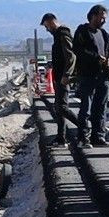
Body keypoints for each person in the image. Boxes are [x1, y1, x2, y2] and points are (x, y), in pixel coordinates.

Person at [73, 5, 109, 147]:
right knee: (86, 107)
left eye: (105, 18)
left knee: (101, 107)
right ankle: (83, 137)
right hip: (87, 75)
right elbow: (78, 50)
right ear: (93, 16)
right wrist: (96, 58)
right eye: (101, 17)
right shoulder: (82, 31)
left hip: (103, 75)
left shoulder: (104, 34)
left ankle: (99, 136)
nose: (103, 21)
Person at [41, 13, 76, 146]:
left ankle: (85, 126)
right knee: (58, 108)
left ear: (51, 22)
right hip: (58, 76)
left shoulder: (62, 34)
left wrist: (67, 75)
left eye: (47, 26)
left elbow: (70, 57)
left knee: (61, 107)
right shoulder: (58, 36)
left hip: (63, 78)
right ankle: (61, 137)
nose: (47, 30)